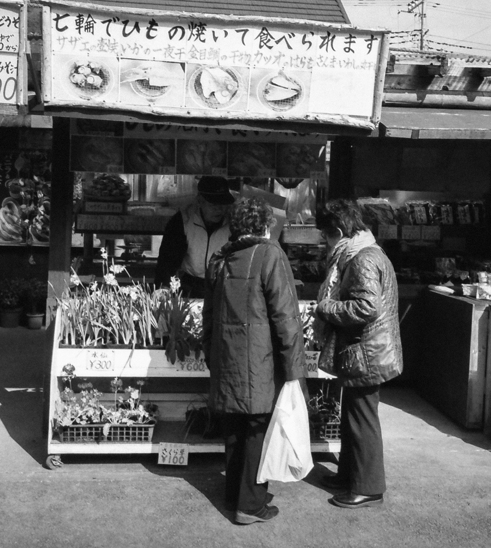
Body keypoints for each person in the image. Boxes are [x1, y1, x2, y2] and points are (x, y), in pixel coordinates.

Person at [202, 196, 305, 525]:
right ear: (264, 225)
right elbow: (286, 319)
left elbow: (207, 319)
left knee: (234, 430)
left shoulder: (220, 259)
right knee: (257, 432)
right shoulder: (270, 255)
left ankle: (234, 494)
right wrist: (294, 372)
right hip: (260, 362)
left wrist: (212, 359)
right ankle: (250, 506)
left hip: (227, 361)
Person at [313, 199, 402, 509]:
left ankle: (369, 487)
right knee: (353, 416)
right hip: (365, 350)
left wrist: (326, 307)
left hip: (367, 352)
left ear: (338, 231)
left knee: (362, 419)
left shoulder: (362, 259)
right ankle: (349, 475)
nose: (324, 242)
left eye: (325, 235)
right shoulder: (366, 251)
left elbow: (366, 306)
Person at [155, 175, 234, 298]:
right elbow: (167, 260)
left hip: (224, 285)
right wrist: (163, 287)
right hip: (191, 286)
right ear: (200, 201)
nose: (219, 210)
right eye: (213, 204)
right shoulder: (182, 220)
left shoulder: (234, 222)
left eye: (223, 204)